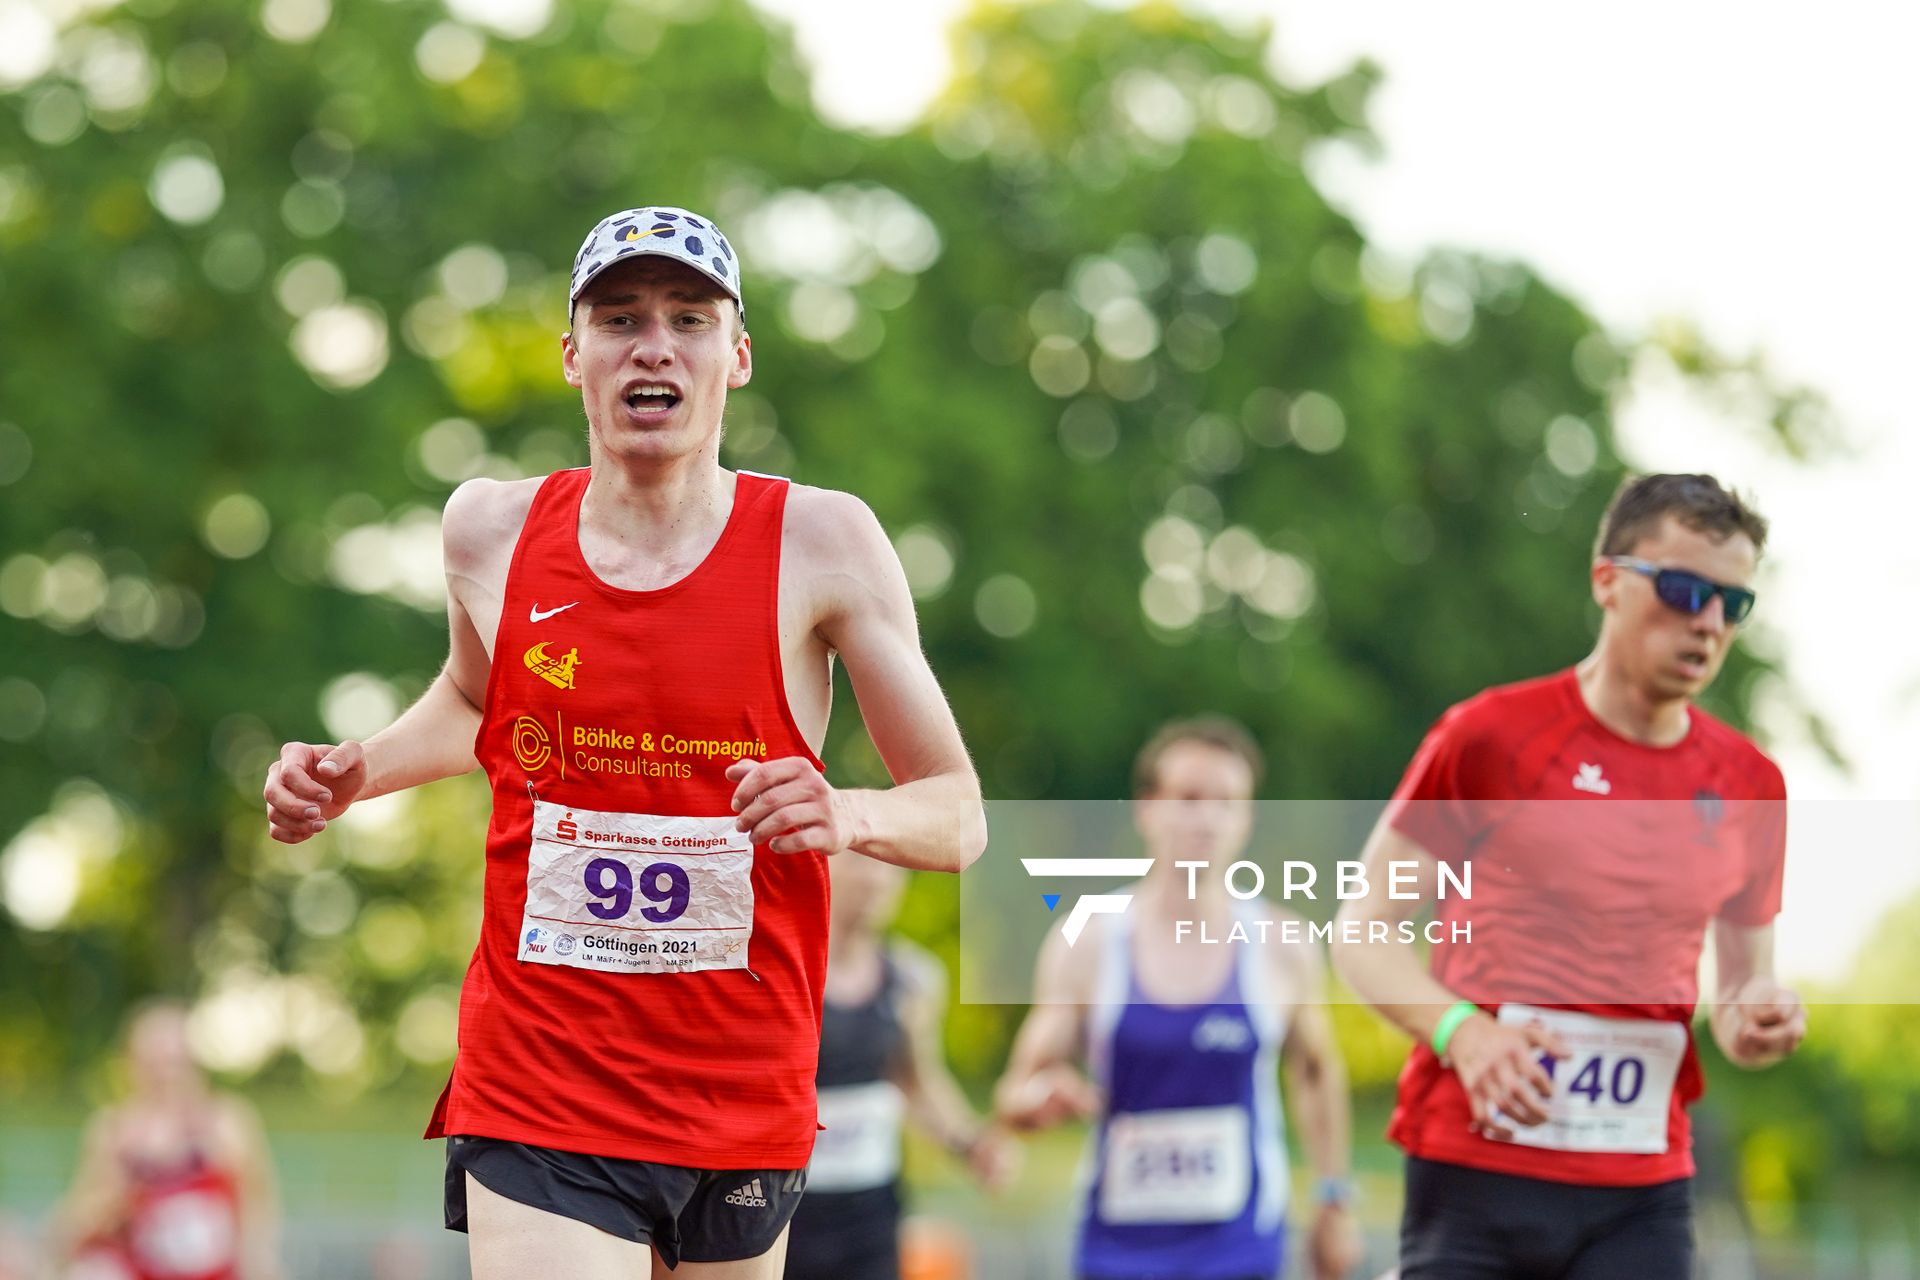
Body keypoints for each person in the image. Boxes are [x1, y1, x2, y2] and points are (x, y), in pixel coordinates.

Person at [261, 206, 986, 1279]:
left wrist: (852, 811)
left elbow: (960, 809)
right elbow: (476, 702)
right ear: (574, 357)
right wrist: (355, 769)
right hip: (540, 1071)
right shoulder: (489, 530)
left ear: (735, 356)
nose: (654, 343)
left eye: (689, 319)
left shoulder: (822, 542)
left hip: (740, 1085)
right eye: (619, 318)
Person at [1332, 473, 1806, 1279]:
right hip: (1478, 1164)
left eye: (1734, 604)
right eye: (1686, 590)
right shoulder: (1492, 736)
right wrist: (1466, 1034)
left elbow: (1738, 997)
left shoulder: (1751, 783)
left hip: (1642, 1184)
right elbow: (1361, 933)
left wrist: (1757, 1015)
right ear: (1608, 581)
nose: (1709, 624)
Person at [995, 717, 1363, 1280]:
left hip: (1241, 1244)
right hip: (1116, 1249)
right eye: (1188, 798)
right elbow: (1015, 1093)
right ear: (1147, 807)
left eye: (1227, 802)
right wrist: (1041, 1098)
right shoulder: (1088, 940)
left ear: (1247, 819)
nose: (1206, 819)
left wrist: (1334, 1199)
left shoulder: (1281, 945)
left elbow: (1315, 1070)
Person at [783, 851, 1017, 1280]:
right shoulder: (782, 975)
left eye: (887, 864)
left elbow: (917, 1083)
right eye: (861, 862)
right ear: (822, 864)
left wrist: (971, 1144)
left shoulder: (912, 979)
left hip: (871, 1222)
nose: (877, 879)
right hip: (785, 1219)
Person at [50, 1002, 281, 1280]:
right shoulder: (116, 1131)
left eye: (175, 1061)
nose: (167, 1075)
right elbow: (70, 1229)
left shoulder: (226, 1122)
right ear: (131, 1065)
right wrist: (111, 1198)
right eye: (154, 1063)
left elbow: (258, 1211)